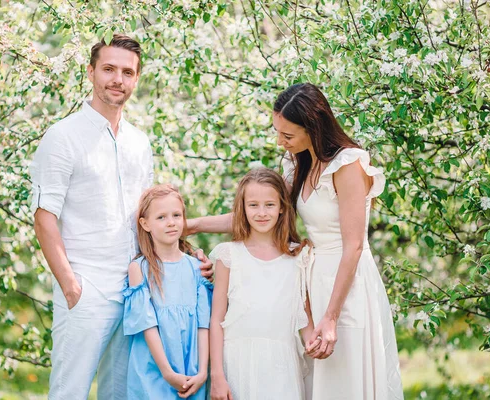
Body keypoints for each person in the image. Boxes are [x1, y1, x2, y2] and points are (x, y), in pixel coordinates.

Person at [189, 83, 403, 399]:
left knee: (346, 376)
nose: (280, 142)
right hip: (310, 278)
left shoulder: (348, 165)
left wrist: (330, 317)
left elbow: (354, 244)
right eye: (278, 132)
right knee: (315, 377)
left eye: (287, 136)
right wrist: (190, 225)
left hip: (347, 283)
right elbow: (256, 217)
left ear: (314, 129)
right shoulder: (298, 163)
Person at [30, 35, 211, 400]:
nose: (118, 79)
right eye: (109, 69)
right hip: (87, 286)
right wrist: (70, 285)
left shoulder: (139, 143)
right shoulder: (63, 137)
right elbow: (44, 217)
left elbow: (151, 217)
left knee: (123, 393)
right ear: (91, 72)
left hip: (137, 288)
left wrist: (187, 251)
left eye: (127, 72)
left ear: (137, 78)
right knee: (70, 391)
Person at [209, 168, 315, 400]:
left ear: (282, 208)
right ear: (242, 208)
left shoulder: (298, 256)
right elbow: (216, 319)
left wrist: (314, 343)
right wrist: (217, 375)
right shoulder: (229, 256)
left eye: (269, 204)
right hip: (237, 363)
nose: (261, 212)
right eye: (253, 205)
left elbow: (303, 316)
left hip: (282, 365)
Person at [122, 184, 212, 399]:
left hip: (191, 367)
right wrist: (167, 373)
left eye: (176, 215)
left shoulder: (196, 268)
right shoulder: (139, 269)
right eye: (161, 217)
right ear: (145, 224)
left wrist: (202, 372)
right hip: (154, 368)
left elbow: (203, 324)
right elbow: (147, 325)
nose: (171, 222)